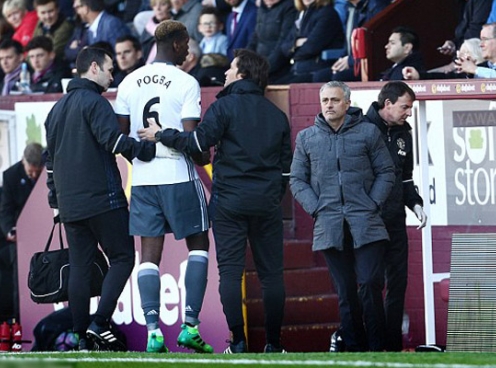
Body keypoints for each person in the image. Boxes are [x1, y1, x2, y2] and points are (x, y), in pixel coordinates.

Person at [137, 48, 292, 354]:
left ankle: (238, 341)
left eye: (230, 69)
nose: (225, 73)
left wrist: (162, 134)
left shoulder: (223, 108)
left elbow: (197, 142)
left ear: (243, 74)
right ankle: (274, 343)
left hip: (230, 204)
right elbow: (286, 167)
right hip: (267, 204)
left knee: (230, 274)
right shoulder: (278, 115)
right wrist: (273, 194)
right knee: (272, 275)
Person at [44, 46, 156, 352]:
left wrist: (56, 201)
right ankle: (100, 323)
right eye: (109, 69)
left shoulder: (56, 110)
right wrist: (148, 148)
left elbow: (49, 162)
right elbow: (115, 142)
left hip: (70, 206)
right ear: (93, 68)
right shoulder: (95, 102)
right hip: (103, 200)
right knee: (123, 257)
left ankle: (80, 337)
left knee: (79, 268)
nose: (112, 75)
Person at [114, 20, 213, 354]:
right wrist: (203, 156)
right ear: (177, 42)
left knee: (149, 256)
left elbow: (121, 135)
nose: (188, 50)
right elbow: (190, 138)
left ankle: (154, 331)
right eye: (186, 44)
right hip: (178, 176)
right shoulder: (186, 82)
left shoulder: (128, 82)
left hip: (142, 179)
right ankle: (190, 326)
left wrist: (140, 160)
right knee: (198, 245)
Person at [290, 81, 395, 352]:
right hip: (329, 223)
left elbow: (386, 171)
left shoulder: (368, 133)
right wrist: (316, 208)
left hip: (367, 221)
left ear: (347, 104)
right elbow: (297, 180)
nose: (329, 105)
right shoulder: (306, 138)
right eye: (325, 100)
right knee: (345, 291)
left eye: (335, 100)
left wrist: (372, 203)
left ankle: (377, 347)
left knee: (370, 283)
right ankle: (354, 348)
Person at [362, 81, 427, 352]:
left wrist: (416, 204)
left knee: (398, 281)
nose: (409, 113)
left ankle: (392, 346)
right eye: (405, 107)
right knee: (370, 282)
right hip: (368, 220)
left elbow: (406, 177)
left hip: (396, 219)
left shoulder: (404, 133)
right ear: (387, 104)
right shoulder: (361, 129)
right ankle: (375, 345)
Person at [0, 142, 43, 322]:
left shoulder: (51, 172)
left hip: (43, 232)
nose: (34, 175)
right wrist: (10, 231)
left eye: (37, 171)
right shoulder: (10, 176)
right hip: (20, 239)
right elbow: (6, 210)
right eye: (30, 171)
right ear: (23, 161)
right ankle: (18, 318)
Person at [312, 0, 391, 83]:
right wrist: (341, 60)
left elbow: (376, 45)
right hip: (353, 61)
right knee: (320, 77)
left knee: (339, 77)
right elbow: (349, 42)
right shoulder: (350, 8)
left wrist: (350, 61)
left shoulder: (376, 6)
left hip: (369, 64)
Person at [277, 0, 344, 83]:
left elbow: (311, 47)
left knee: (280, 86)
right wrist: (296, 43)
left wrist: (292, 50)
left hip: (316, 70)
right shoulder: (302, 14)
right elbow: (284, 47)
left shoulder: (327, 14)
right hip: (298, 69)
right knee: (271, 83)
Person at [64, 0, 130, 69]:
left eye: (77, 8)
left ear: (86, 8)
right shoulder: (90, 30)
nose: (77, 12)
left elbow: (120, 54)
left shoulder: (111, 24)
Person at [246, 0, 297, 83]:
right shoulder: (261, 8)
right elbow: (255, 38)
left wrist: (264, 69)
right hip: (259, 68)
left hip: (278, 70)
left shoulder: (289, 7)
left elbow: (283, 43)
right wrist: (244, 60)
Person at [403, 38, 483, 80]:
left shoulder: (488, 72)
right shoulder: (461, 76)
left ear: (476, 56)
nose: (459, 56)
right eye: (459, 53)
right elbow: (442, 77)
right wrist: (419, 75)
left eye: (465, 52)